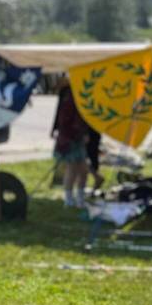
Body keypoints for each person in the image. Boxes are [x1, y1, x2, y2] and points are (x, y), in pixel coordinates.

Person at [52, 77, 89, 207]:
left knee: (83, 170)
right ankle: (69, 199)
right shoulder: (69, 99)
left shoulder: (79, 97)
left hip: (77, 137)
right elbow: (64, 120)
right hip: (69, 138)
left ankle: (80, 197)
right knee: (72, 168)